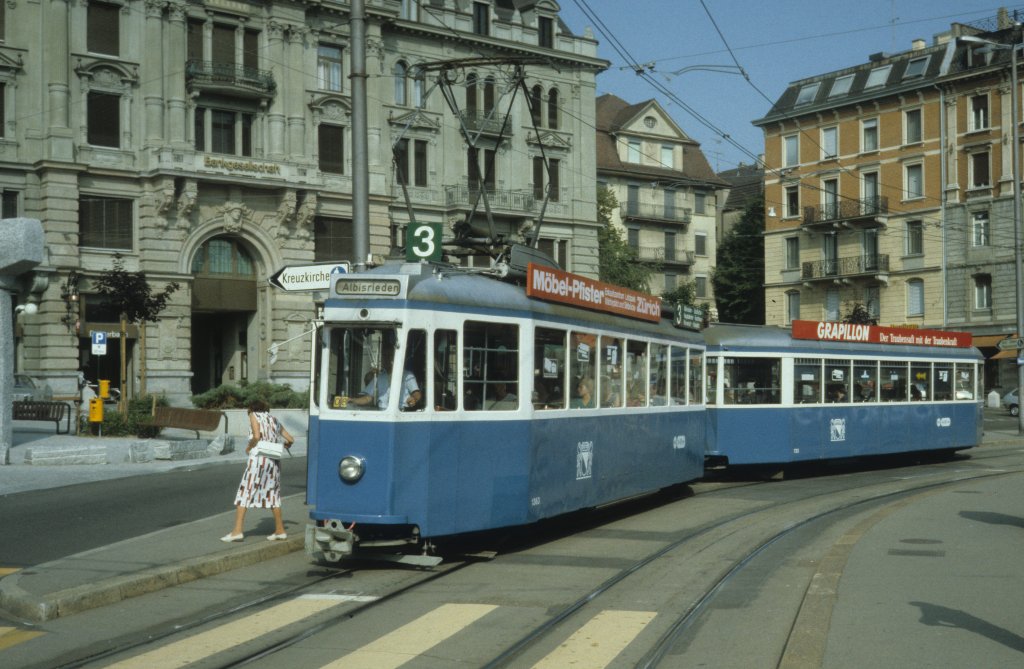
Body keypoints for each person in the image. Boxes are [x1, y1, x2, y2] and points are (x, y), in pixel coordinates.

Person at [222, 399, 295, 542]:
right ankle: (280, 530)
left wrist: (249, 447)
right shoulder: (274, 419)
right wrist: (286, 445)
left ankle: (237, 531)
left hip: (259, 460)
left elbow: (256, 436)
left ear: (251, 408)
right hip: (273, 462)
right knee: (273, 494)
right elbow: (290, 439)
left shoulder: (254, 415)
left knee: (245, 492)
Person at [352, 354, 422, 410]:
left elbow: (416, 393)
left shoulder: (407, 375)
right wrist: (351, 400)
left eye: (388, 357)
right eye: (384, 357)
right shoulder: (379, 376)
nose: (385, 360)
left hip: (402, 412)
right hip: (382, 412)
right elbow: (368, 398)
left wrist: (413, 399)